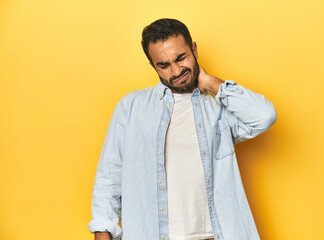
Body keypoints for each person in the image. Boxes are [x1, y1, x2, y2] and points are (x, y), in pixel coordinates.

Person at [88, 18, 277, 240]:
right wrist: (103, 234)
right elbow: (109, 176)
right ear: (153, 65)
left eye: (181, 58)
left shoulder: (218, 105)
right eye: (164, 65)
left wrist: (211, 82)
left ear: (194, 49)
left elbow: (264, 116)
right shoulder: (131, 107)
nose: (176, 71)